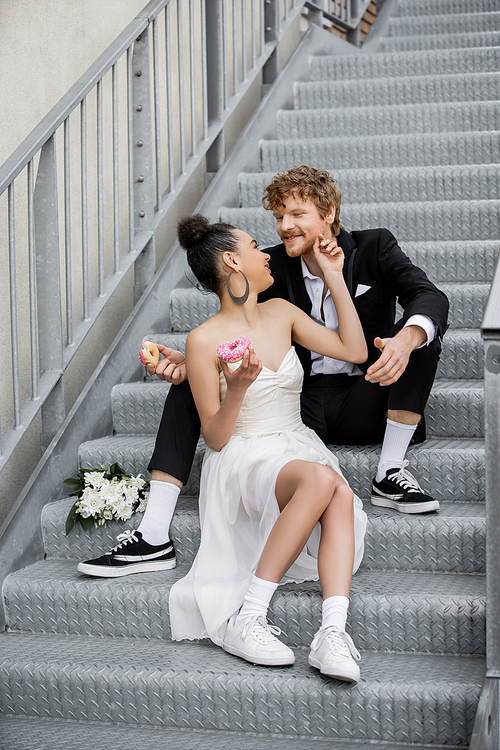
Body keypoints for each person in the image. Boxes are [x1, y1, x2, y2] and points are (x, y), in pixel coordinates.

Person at [77, 165, 448, 581]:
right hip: (300, 404)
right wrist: (195, 363)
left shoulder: (374, 246)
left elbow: (428, 295)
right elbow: (240, 327)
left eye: (296, 215)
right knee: (188, 389)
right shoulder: (270, 265)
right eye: (278, 217)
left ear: (329, 211)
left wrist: (404, 338)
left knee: (418, 333)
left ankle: (389, 471)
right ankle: (153, 533)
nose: (284, 227)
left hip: (367, 394)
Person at [168, 214, 367, 681]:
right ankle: (249, 616)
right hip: (242, 459)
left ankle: (332, 634)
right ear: (233, 261)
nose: (266, 254)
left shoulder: (282, 312)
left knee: (334, 488)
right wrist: (235, 388)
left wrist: (334, 277)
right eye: (256, 246)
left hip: (294, 445)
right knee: (324, 480)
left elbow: (355, 352)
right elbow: (214, 438)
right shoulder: (203, 340)